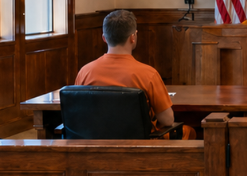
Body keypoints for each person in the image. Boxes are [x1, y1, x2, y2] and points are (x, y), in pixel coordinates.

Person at [74, 9, 195, 139]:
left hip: (94, 146)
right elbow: (167, 120)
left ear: (104, 38)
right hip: (139, 148)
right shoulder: (148, 74)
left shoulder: (85, 72)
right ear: (133, 37)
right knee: (190, 132)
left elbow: (78, 116)